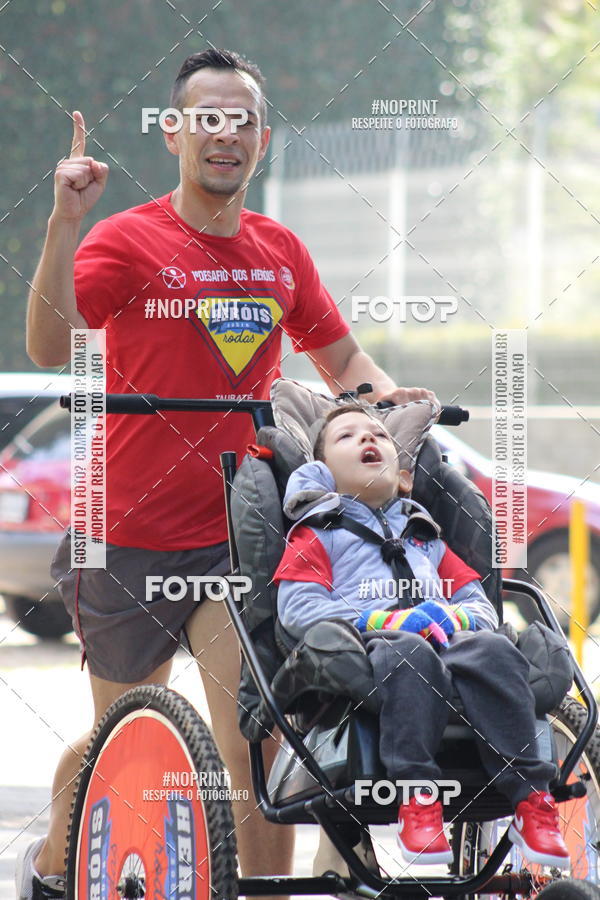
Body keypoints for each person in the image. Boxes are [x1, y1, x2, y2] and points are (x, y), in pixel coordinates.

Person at [21, 47, 437, 900]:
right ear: (174, 132)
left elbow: (343, 359)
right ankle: (47, 868)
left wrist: (394, 410)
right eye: (206, 116)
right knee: (126, 737)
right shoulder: (127, 240)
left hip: (234, 530)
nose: (224, 133)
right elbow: (50, 346)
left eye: (240, 118)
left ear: (261, 137)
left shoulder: (279, 250)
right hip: (126, 537)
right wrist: (64, 223)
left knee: (255, 742)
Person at [274, 404, 570, 869]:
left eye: (378, 435)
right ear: (322, 474)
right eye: (347, 437)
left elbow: (480, 605)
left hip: (448, 646)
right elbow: (298, 608)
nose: (367, 440)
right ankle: (418, 794)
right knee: (409, 652)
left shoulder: (426, 538)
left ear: (406, 477)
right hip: (371, 653)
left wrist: (454, 619)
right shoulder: (319, 534)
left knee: (494, 649)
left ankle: (530, 798)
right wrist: (382, 623)